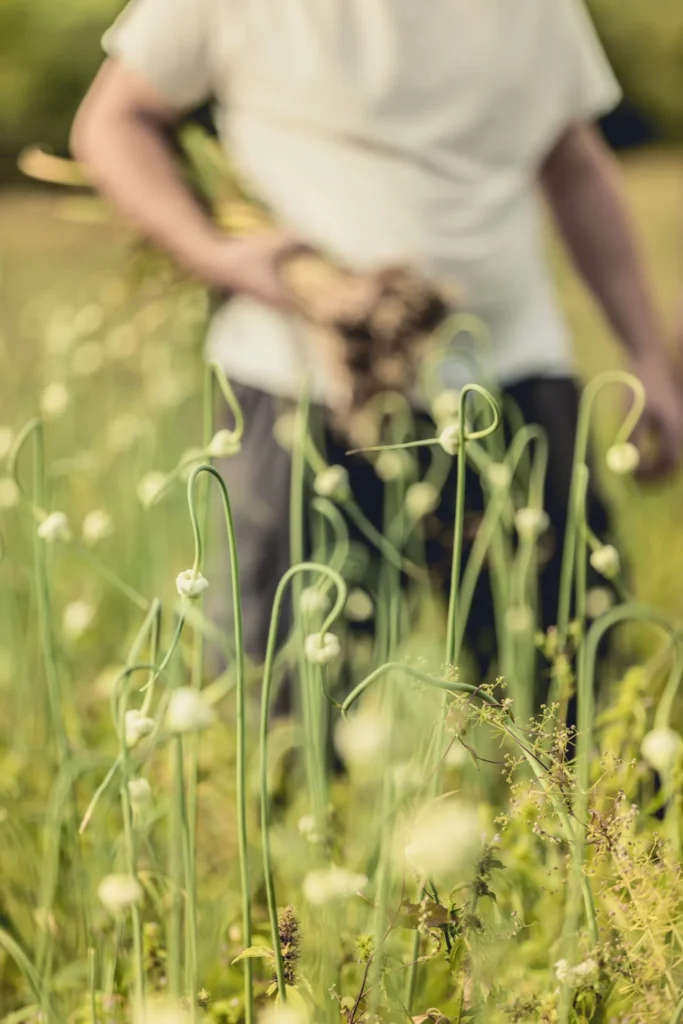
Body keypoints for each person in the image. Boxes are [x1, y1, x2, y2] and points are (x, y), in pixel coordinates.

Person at [71, 0, 683, 687]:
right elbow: (113, 121)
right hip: (295, 389)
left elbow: (571, 162)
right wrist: (214, 253)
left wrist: (646, 363)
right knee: (277, 705)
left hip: (512, 375)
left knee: (568, 696)